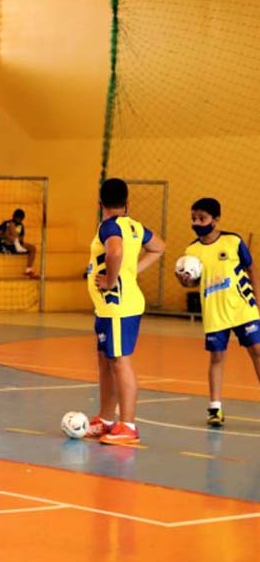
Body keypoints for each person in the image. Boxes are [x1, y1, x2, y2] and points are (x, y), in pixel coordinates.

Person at [85, 178, 165, 445]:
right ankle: (106, 419)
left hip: (119, 306)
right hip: (109, 307)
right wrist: (132, 272)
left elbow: (115, 251)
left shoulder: (110, 226)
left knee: (119, 361)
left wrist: (110, 280)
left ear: (100, 204)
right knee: (106, 361)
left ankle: (128, 425)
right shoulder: (134, 226)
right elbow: (159, 247)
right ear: (127, 203)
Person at [177, 198, 260, 427]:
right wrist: (184, 281)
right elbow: (192, 283)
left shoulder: (233, 241)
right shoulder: (191, 251)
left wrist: (258, 298)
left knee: (257, 350)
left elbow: (251, 267)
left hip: (242, 306)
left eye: (202, 218)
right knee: (217, 357)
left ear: (215, 220)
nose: (197, 222)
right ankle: (215, 409)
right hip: (215, 312)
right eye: (194, 218)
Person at [0, 208, 38, 278]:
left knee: (33, 248)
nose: (19, 221)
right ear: (14, 217)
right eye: (18, 219)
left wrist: (17, 238)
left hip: (17, 244)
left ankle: (28, 270)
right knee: (11, 226)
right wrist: (7, 235)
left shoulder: (21, 225)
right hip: (6, 244)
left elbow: (22, 239)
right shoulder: (7, 223)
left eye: (20, 219)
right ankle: (16, 243)